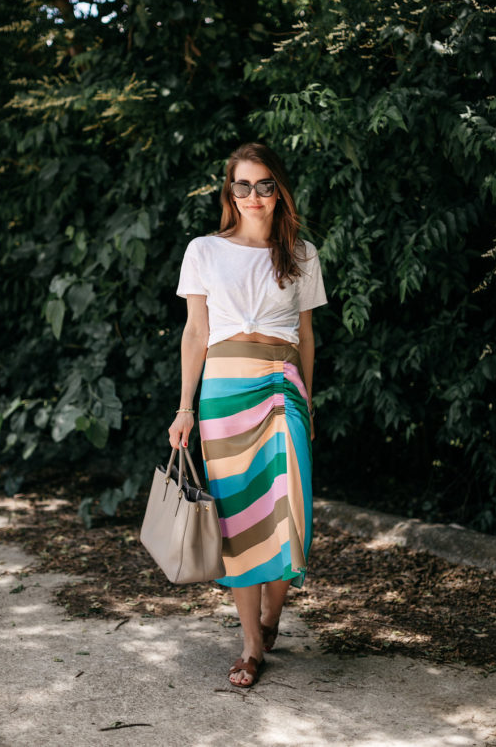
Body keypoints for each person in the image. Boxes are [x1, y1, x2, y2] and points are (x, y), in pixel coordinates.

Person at [168, 142, 327, 687]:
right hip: (223, 394)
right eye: (243, 185)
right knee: (237, 519)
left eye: (264, 184)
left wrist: (307, 396)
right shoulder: (204, 250)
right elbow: (195, 333)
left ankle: (273, 615)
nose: (253, 195)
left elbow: (306, 337)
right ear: (229, 191)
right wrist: (184, 408)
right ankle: (252, 645)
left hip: (284, 388)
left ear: (278, 189)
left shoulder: (302, 254)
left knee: (291, 512)